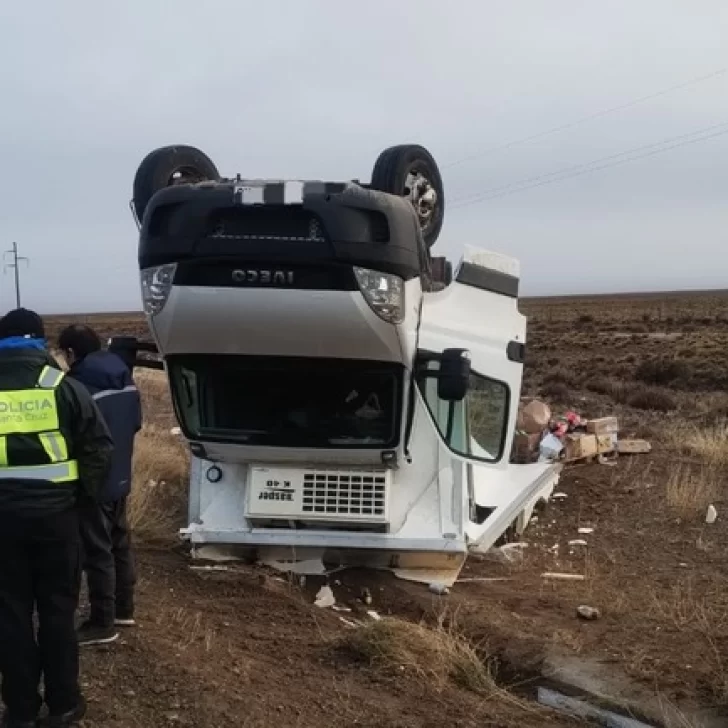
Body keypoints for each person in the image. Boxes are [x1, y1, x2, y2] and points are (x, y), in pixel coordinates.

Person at [0, 308, 114, 728]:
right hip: (57, 518)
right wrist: (80, 499)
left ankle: (20, 711)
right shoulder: (63, 386)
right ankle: (64, 705)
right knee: (57, 610)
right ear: (40, 341)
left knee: (9, 614)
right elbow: (99, 448)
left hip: (3, 522)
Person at [57, 325, 142, 647]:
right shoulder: (124, 377)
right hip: (121, 474)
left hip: (94, 480)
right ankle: (124, 608)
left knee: (97, 551)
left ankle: (102, 622)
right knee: (119, 543)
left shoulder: (78, 387)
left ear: (71, 353)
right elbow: (136, 423)